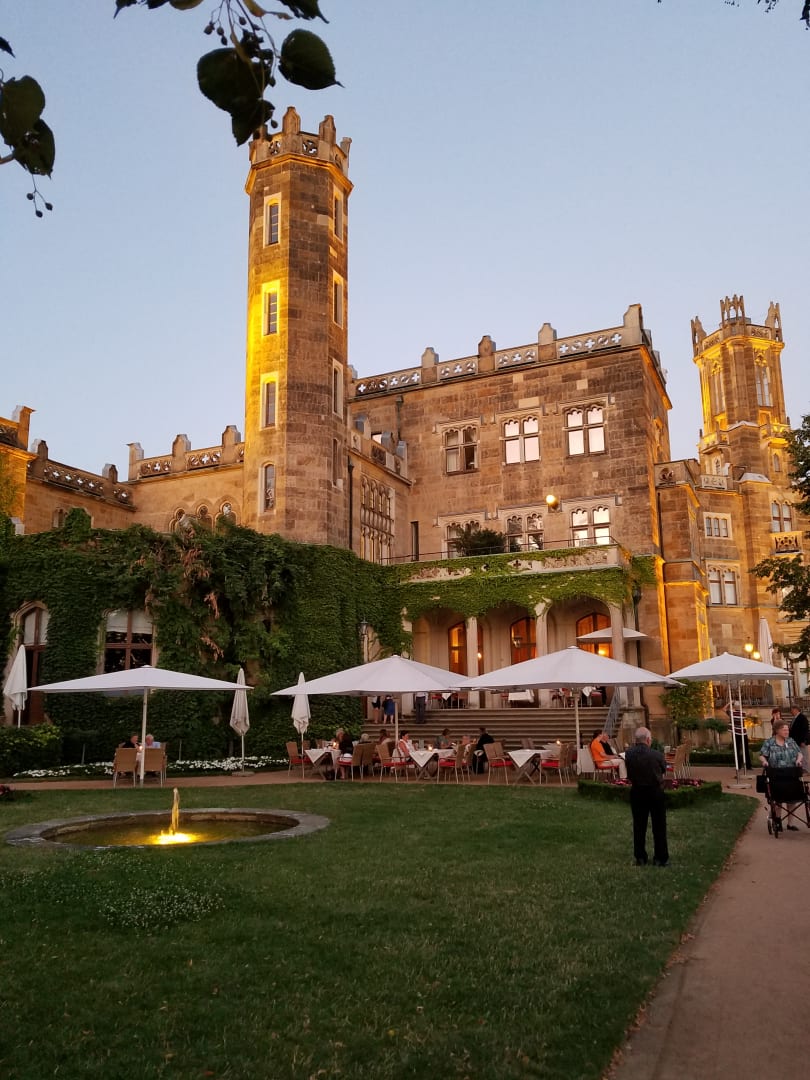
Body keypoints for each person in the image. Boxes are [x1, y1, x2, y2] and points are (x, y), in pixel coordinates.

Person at [624, 725, 669, 867]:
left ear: (636, 740)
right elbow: (663, 769)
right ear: (648, 740)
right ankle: (660, 858)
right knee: (659, 825)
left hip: (637, 791)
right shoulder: (656, 755)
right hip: (655, 792)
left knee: (639, 825)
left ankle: (640, 857)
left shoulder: (629, 754)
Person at [760, 717, 803, 829]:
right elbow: (762, 755)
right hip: (776, 774)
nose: (787, 732)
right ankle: (778, 820)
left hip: (791, 773)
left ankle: (790, 824)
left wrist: (799, 760)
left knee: (792, 800)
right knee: (778, 799)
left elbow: (799, 753)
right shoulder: (769, 742)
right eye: (784, 730)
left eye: (787, 730)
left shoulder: (791, 741)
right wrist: (764, 761)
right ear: (777, 730)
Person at [788, 705, 809, 772]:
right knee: (798, 755)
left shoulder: (802, 718)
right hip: (795, 741)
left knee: (804, 755)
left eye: (791, 710)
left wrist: (803, 741)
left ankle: (805, 769)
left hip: (801, 741)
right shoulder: (794, 718)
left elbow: (805, 730)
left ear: (796, 709)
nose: (791, 711)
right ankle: (800, 768)